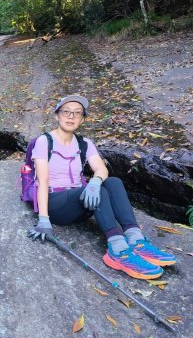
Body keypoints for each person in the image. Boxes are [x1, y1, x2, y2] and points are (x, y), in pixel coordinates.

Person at [27, 95, 176, 280]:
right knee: (96, 190)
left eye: (77, 113)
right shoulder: (44, 142)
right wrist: (43, 219)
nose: (71, 116)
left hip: (80, 203)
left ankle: (136, 239)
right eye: (66, 111)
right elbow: (42, 181)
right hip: (56, 205)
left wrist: (95, 182)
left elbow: (101, 169)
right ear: (57, 115)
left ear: (82, 119)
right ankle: (118, 250)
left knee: (112, 182)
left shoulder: (84, 143)